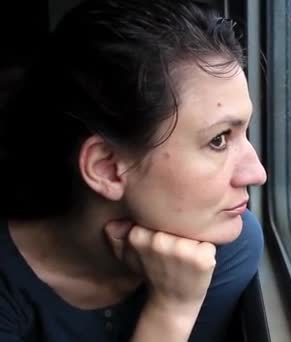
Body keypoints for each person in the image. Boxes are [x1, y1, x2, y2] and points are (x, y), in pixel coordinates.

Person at [0, 0, 267, 341]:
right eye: (218, 140)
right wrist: (171, 311)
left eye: (244, 133)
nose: (256, 173)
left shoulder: (226, 246)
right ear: (107, 169)